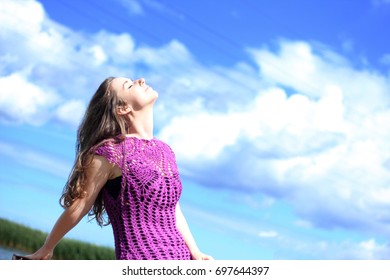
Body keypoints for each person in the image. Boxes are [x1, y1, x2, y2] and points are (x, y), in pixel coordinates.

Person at [25, 77, 213, 260]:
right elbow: (81, 204)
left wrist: (195, 251)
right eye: (129, 85)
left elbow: (172, 209)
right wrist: (47, 247)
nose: (141, 80)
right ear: (123, 108)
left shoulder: (166, 151)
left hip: (181, 260)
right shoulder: (110, 152)